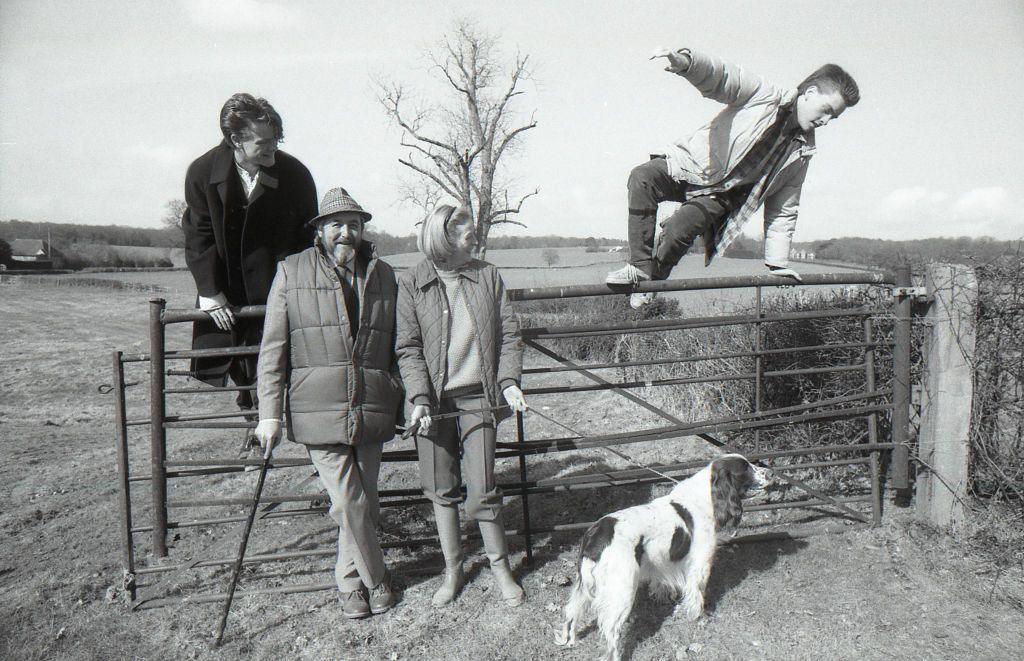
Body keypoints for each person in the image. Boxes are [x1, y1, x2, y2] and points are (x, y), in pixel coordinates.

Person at [605, 48, 860, 308]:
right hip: (694, 165)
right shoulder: (764, 95)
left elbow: (783, 210)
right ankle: (638, 267)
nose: (827, 121)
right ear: (810, 93)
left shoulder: (802, 152)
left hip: (720, 196)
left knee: (679, 230)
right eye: (826, 110)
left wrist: (778, 264)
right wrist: (688, 62)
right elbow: (724, 76)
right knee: (642, 177)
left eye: (834, 117)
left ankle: (650, 285)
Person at [253, 187, 402, 619]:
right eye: (336, 224)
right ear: (319, 230)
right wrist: (269, 413)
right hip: (317, 408)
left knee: (365, 503)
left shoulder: (384, 274)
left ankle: (350, 584)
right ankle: (376, 580)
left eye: (354, 224)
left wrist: (403, 394)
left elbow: (398, 344)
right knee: (349, 502)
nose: (346, 233)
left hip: (371, 404)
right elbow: (272, 348)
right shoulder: (291, 272)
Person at [396, 204, 529, 608]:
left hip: (480, 398)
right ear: (446, 238)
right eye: (471, 237)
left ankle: (500, 567)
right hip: (432, 404)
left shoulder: (487, 275)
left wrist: (508, 383)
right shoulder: (412, 282)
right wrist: (419, 397)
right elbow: (408, 348)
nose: (478, 241)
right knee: (441, 489)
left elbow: (509, 332)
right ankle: (453, 571)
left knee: (483, 486)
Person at [182, 93, 317, 457]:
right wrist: (210, 291)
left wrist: (293, 289)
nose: (273, 147)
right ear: (235, 140)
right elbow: (198, 233)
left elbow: (307, 238)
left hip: (277, 286)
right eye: (263, 142)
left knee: (273, 360)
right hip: (225, 289)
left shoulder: (295, 174)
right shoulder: (202, 172)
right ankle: (252, 425)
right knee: (236, 361)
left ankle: (269, 437)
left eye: (276, 138)